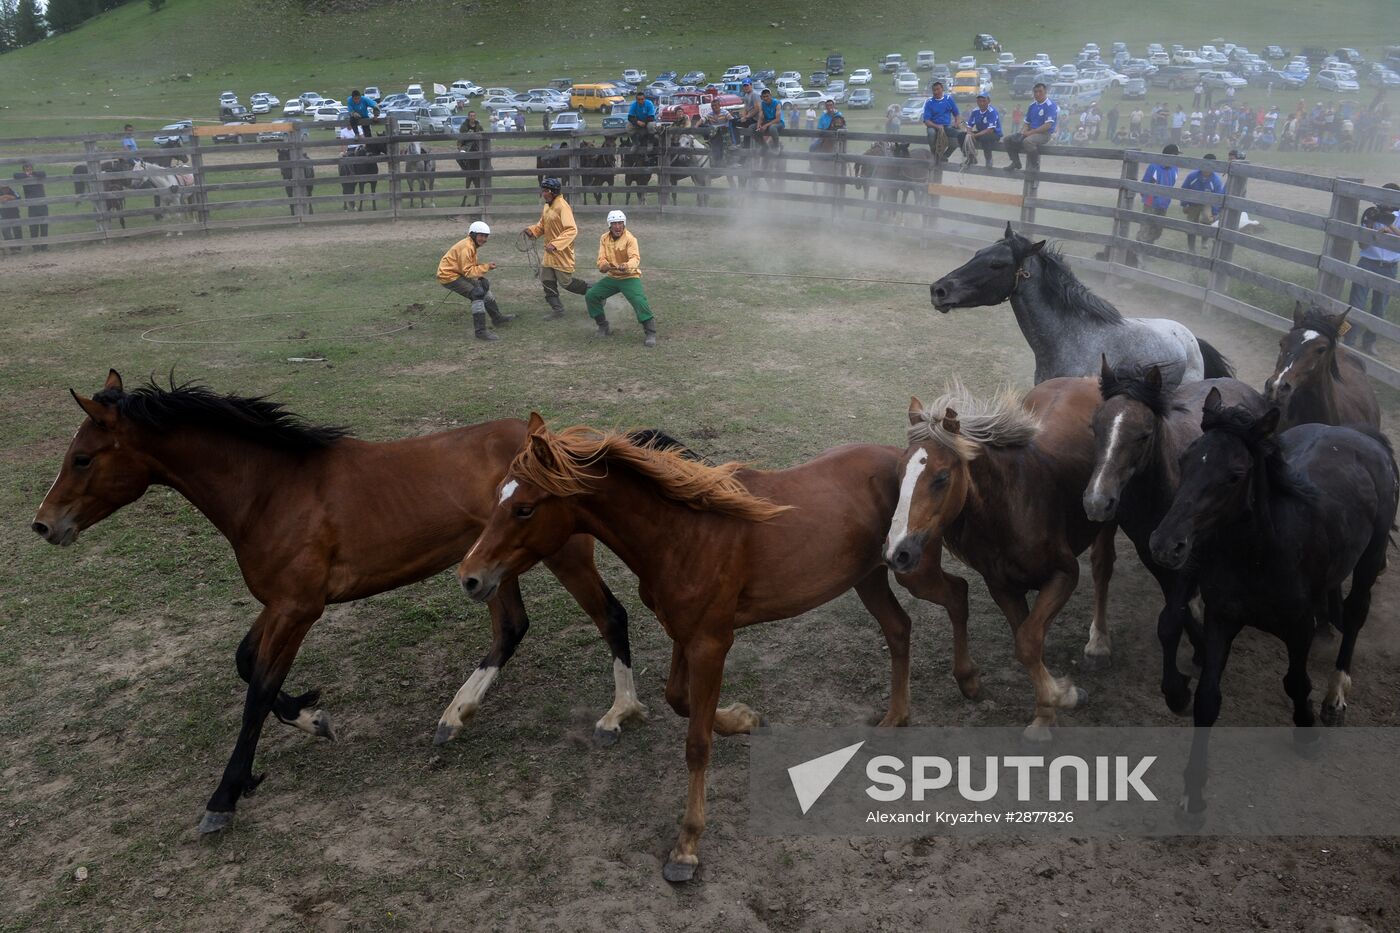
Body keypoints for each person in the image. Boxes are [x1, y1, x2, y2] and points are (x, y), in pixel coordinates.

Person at [586, 210, 656, 347]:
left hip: (629, 276)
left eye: (620, 223)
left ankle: (650, 332)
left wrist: (627, 265)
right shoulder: (604, 238)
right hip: (613, 277)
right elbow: (601, 258)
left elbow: (635, 258)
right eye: (614, 223)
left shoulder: (630, 239)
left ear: (624, 224)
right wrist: (603, 266)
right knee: (591, 295)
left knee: (639, 301)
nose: (617, 226)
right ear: (609, 225)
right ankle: (603, 326)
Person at [524, 177, 590, 319]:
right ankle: (558, 310)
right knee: (546, 279)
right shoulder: (547, 206)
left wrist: (556, 244)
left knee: (566, 283)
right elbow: (542, 226)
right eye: (543, 190)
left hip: (562, 252)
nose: (543, 193)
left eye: (546, 191)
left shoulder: (562, 206)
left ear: (553, 192)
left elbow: (571, 230)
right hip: (549, 253)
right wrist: (532, 231)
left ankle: (594, 291)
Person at [437, 221, 514, 342]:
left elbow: (469, 267)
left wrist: (481, 278)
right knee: (477, 293)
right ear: (472, 234)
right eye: (481, 235)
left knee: (483, 288)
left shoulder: (471, 244)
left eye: (486, 236)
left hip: (458, 273)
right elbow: (468, 271)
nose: (484, 239)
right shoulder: (467, 247)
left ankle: (497, 318)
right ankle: (481, 332)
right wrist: (486, 267)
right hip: (448, 276)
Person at [1346, 183, 1400, 353]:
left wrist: (1389, 227)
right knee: (1356, 305)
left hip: (1389, 267)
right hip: (1368, 263)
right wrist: (1372, 225)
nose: (1388, 203)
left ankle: (1370, 342)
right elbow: (1362, 245)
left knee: (1379, 308)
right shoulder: (1370, 213)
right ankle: (1348, 341)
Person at [1003, 82, 1057, 172]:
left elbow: (1048, 125)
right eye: (1035, 92)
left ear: (1045, 92)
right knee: (1007, 139)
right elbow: (1027, 122)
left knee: (1027, 141)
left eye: (1040, 91)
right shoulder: (1032, 105)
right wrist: (1022, 131)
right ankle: (1015, 162)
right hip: (1030, 132)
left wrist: (1030, 132)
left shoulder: (1050, 105)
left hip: (1044, 134)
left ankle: (1034, 164)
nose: (1037, 94)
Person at [1136, 143, 1179, 247]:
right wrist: (1149, 199)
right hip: (1151, 203)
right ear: (1169, 155)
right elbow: (1144, 184)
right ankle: (1137, 252)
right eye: (1176, 155)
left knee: (1157, 230)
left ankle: (1148, 250)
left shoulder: (1175, 168)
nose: (1177, 158)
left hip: (1164, 204)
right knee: (1146, 228)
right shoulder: (1154, 167)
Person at [1180, 154, 1225, 252]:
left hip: (1207, 203)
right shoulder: (1192, 176)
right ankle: (1191, 248)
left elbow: (1217, 198)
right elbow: (1184, 189)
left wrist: (1215, 211)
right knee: (1191, 224)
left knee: (1207, 219)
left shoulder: (1216, 180)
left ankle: (1204, 240)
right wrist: (1184, 204)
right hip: (1193, 202)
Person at [921, 80, 963, 163]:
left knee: (960, 135)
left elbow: (957, 114)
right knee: (931, 133)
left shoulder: (948, 99)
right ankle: (934, 154)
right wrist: (937, 126)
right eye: (934, 90)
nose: (936, 92)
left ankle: (945, 155)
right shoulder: (929, 103)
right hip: (933, 126)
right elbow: (927, 121)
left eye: (938, 89)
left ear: (942, 89)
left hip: (946, 126)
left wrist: (957, 122)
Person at [14, 161, 47, 252]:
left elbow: (44, 173)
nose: (29, 171)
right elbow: (15, 175)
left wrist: (32, 173)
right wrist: (26, 175)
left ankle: (44, 246)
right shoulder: (23, 177)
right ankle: (35, 247)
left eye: (30, 169)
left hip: (42, 203)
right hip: (32, 205)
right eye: (26, 170)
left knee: (44, 225)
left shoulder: (37, 175)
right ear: (24, 170)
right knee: (33, 226)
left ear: (32, 169)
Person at [964, 93, 1002, 167]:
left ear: (988, 101)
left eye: (984, 101)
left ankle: (989, 160)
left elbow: (990, 130)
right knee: (962, 136)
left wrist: (974, 135)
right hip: (981, 132)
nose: (981, 103)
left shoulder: (992, 111)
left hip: (994, 133)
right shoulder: (975, 111)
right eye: (979, 101)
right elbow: (969, 125)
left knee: (985, 138)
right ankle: (971, 157)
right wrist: (969, 133)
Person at [0, 181, 21, 253]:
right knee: (5, 231)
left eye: (6, 188)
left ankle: (19, 247)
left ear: (9, 187)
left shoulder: (13, 191)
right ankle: (12, 248)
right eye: (3, 188)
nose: (5, 190)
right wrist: (6, 197)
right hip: (3, 214)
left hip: (14, 213)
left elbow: (18, 197)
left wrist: (7, 197)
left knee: (17, 230)